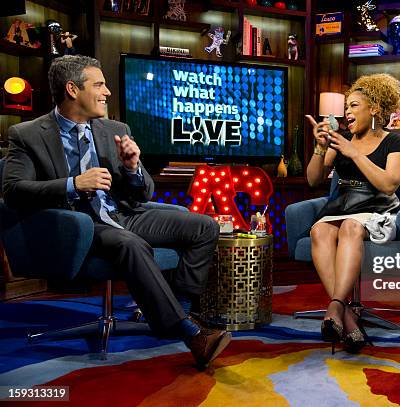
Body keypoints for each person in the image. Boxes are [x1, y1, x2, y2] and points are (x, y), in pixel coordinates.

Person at [2, 55, 231, 370]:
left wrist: (132, 167)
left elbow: (144, 193)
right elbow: (13, 190)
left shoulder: (115, 128)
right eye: (98, 84)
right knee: (128, 243)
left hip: (123, 212)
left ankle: (180, 307)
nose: (107, 92)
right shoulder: (27, 134)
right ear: (72, 89)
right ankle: (189, 333)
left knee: (203, 226)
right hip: (78, 223)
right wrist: (72, 183)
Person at [305, 73, 400, 353]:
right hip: (342, 207)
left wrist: (354, 154)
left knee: (351, 227)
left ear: (374, 108)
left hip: (377, 210)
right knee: (319, 229)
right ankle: (348, 316)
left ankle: (336, 307)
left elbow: (389, 184)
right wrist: (320, 146)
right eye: (346, 107)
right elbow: (313, 180)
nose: (347, 112)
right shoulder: (340, 140)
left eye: (354, 106)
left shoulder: (396, 142)